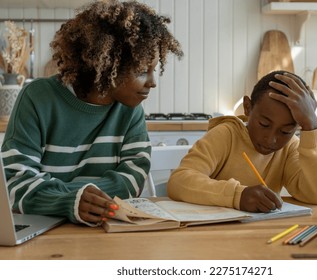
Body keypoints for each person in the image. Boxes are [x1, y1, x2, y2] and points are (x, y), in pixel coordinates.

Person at [1, 0, 183, 226]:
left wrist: (70, 197)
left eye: (153, 70)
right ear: (105, 66)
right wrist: (70, 201)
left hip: (105, 229)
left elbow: (132, 179)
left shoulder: (130, 110)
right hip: (42, 231)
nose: (152, 83)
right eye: (141, 71)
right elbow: (15, 182)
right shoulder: (37, 98)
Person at [167, 70, 317, 213]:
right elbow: (178, 181)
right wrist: (238, 196)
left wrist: (312, 126)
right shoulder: (226, 135)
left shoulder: (290, 147)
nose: (271, 139)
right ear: (247, 107)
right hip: (213, 236)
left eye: (285, 131)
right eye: (264, 124)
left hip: (259, 237)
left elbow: (316, 195)